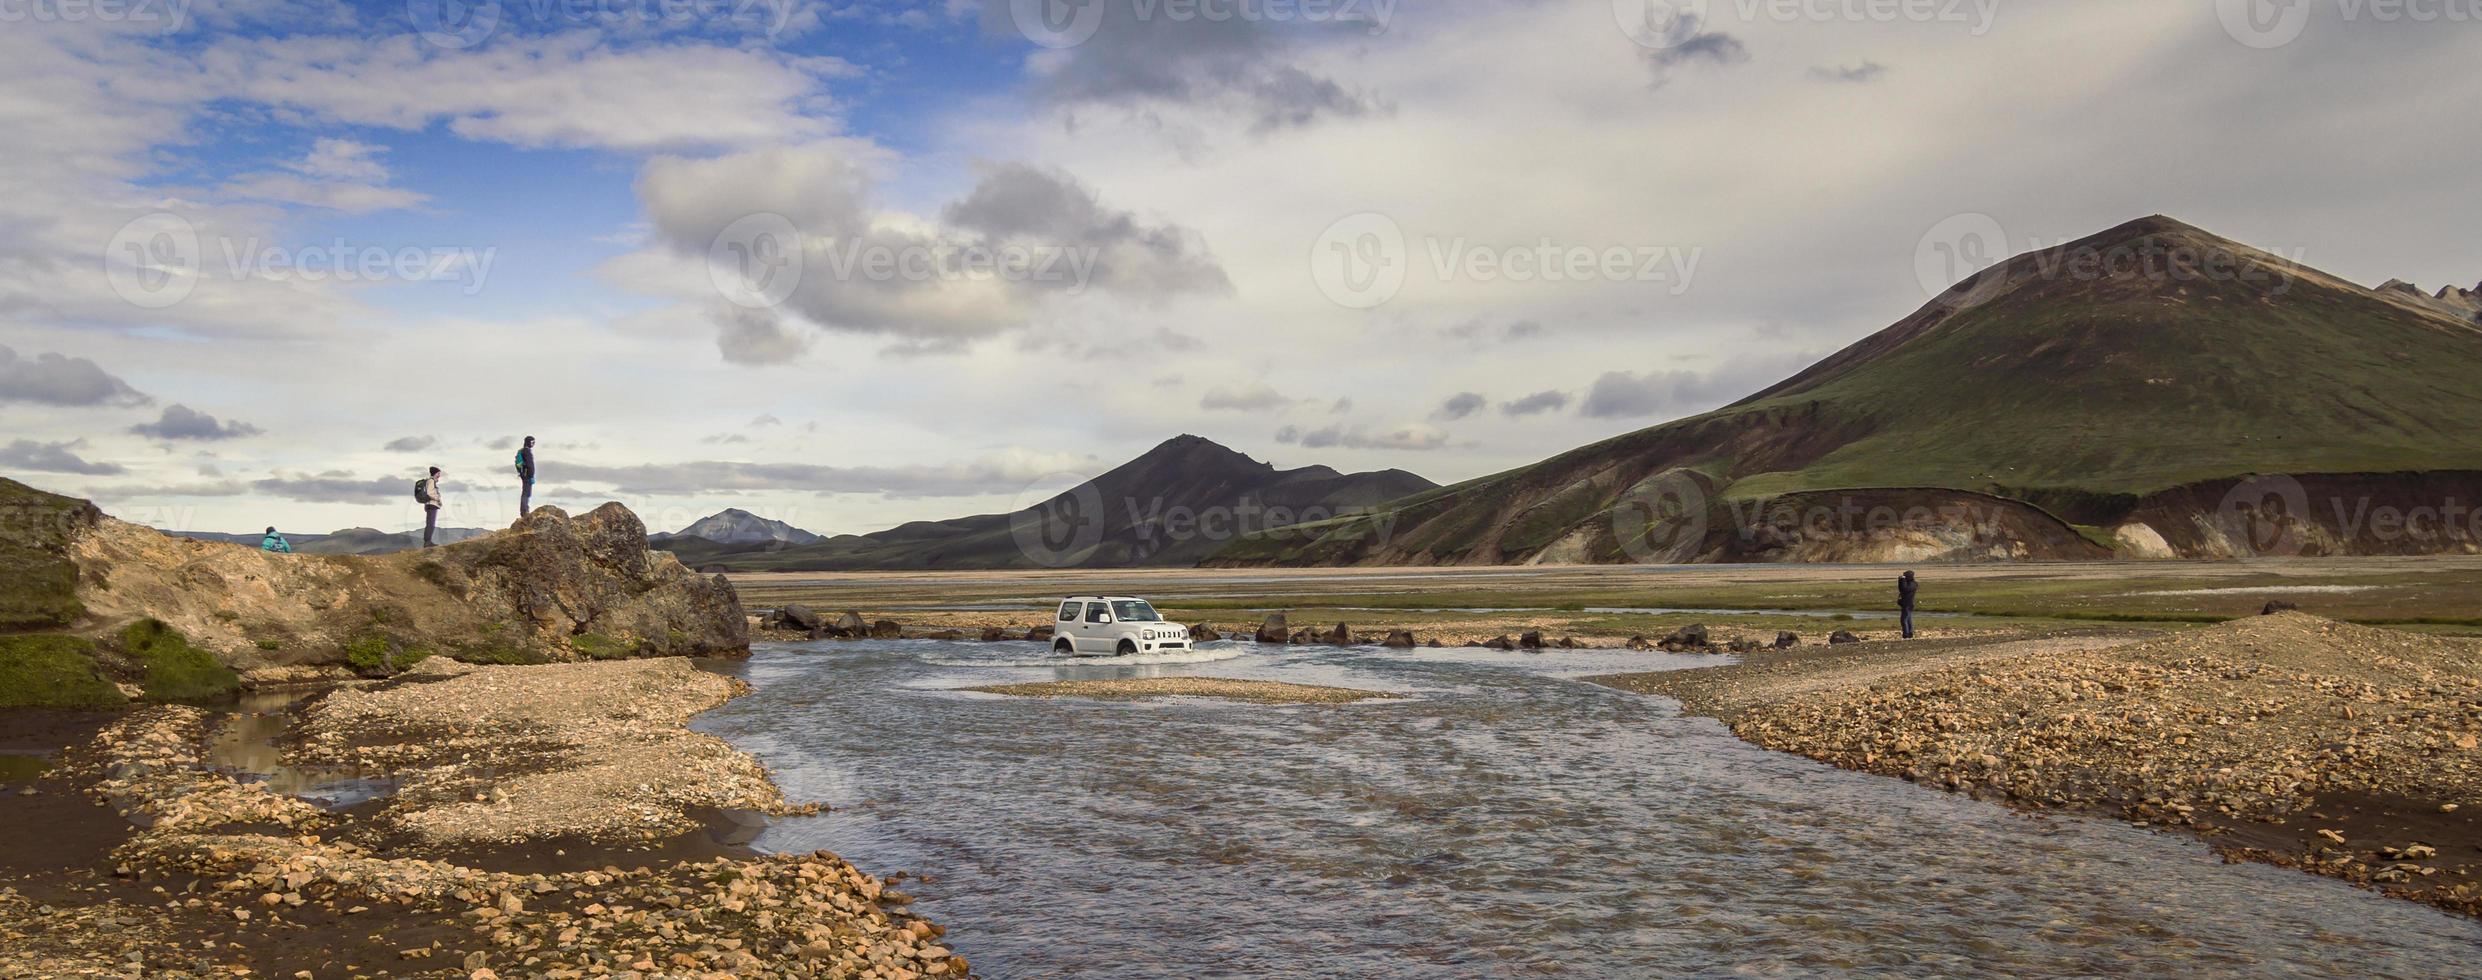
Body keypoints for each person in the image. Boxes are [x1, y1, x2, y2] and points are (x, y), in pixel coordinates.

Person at [419, 467, 445, 548]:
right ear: (435, 473)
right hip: (432, 505)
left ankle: (428, 541)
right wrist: (437, 499)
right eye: (438, 473)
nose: (439, 475)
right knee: (431, 524)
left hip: (430, 505)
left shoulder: (431, 481)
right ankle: (427, 542)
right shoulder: (431, 481)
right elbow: (430, 493)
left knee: (430, 523)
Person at [514, 436, 537, 519]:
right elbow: (530, 465)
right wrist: (531, 476)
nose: (533, 444)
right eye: (532, 442)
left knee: (525, 492)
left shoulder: (522, 451)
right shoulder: (527, 451)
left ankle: (524, 510)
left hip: (524, 474)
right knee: (526, 493)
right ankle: (524, 511)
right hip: (527, 475)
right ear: (529, 442)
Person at [1897, 570, 1919, 639]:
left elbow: (1905, 589)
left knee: (1904, 619)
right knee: (1908, 618)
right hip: (1907, 603)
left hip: (1908, 603)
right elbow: (1901, 589)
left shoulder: (1913, 584)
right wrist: (1900, 581)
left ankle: (1906, 633)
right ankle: (1909, 632)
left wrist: (1903, 580)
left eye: (1905, 576)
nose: (1904, 577)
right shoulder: (1910, 583)